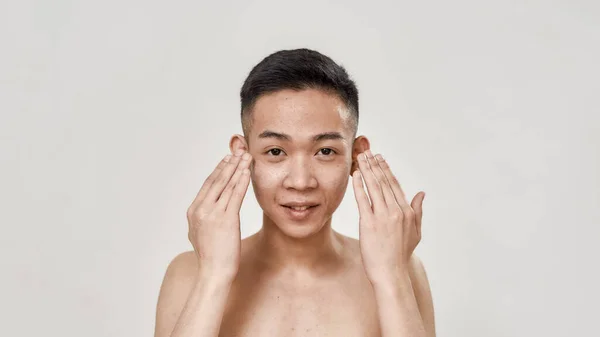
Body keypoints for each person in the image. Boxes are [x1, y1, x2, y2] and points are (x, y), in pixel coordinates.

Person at [153, 48, 435, 337]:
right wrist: (213, 277)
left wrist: (392, 279)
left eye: (325, 151)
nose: (301, 182)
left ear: (355, 156)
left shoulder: (402, 270)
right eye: (276, 151)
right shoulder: (190, 273)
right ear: (243, 154)